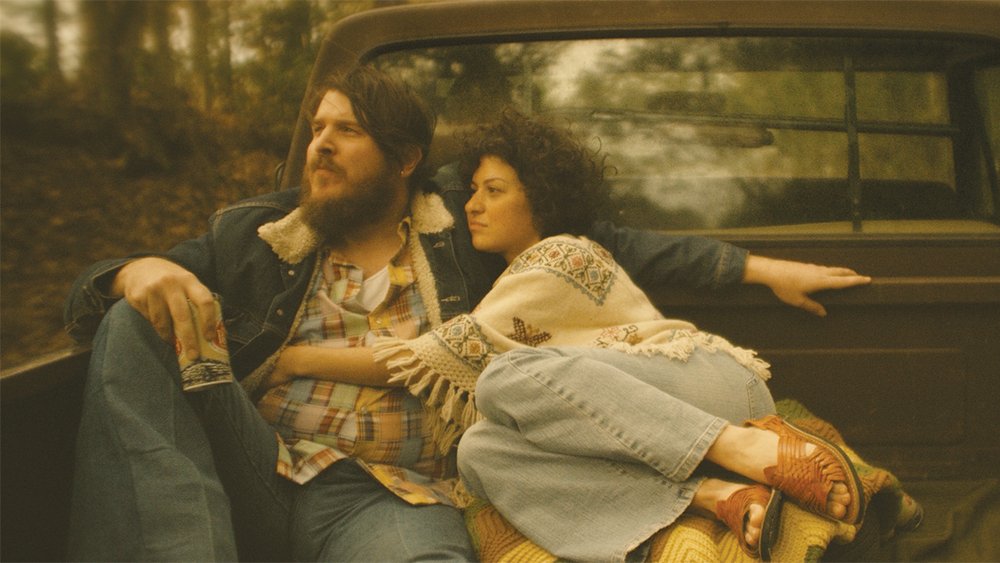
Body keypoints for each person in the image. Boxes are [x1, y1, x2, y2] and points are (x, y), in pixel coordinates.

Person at [63, 65, 869, 561]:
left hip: (396, 495)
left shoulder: (466, 228)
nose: (320, 145)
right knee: (131, 319)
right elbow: (91, 298)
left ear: (404, 159)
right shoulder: (254, 234)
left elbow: (605, 243)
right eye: (316, 129)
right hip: (257, 461)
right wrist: (134, 268)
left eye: (347, 131)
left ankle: (727, 473)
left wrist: (760, 268)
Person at [369, 110, 867, 561]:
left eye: (493, 191)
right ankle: (714, 495)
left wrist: (310, 359)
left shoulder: (562, 256)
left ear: (540, 199)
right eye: (473, 190)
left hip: (715, 388)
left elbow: (443, 355)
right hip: (651, 432)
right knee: (479, 450)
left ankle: (748, 448)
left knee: (502, 377)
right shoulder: (512, 277)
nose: (472, 206)